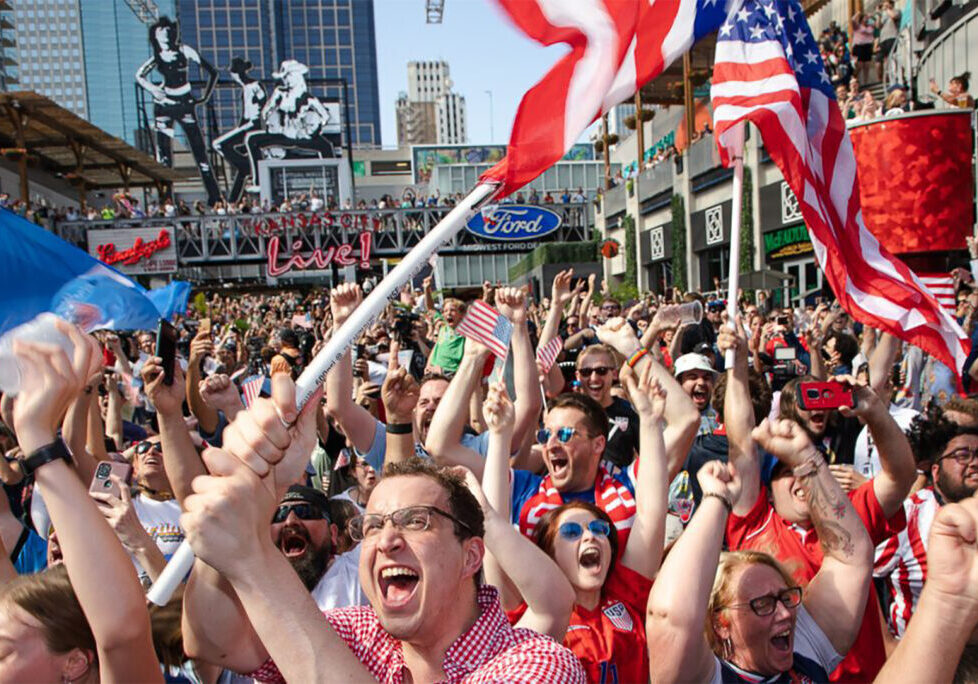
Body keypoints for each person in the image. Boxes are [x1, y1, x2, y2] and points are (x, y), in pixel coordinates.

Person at [179, 374, 586, 682]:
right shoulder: (358, 634)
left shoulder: (540, 664)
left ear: (471, 555)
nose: (387, 541)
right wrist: (253, 489)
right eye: (371, 526)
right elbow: (215, 641)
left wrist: (251, 556)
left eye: (415, 522)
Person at [646, 418, 875, 683]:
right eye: (763, 604)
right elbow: (670, 616)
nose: (786, 613)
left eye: (786, 598)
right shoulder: (707, 677)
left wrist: (805, 460)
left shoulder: (805, 651)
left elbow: (852, 559)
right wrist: (716, 499)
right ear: (721, 624)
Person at [1, 320, 161, 682]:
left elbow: (122, 632)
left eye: (2, 651)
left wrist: (39, 435)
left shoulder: (119, 485)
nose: (152, 454)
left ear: (74, 662)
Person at [874, 403, 978, 637]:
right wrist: (887, 646)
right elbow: (861, 577)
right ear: (936, 470)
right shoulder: (908, 516)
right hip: (924, 662)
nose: (974, 463)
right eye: (962, 455)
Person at [135, 16, 221, 205]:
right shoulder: (156, 58)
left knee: (200, 153)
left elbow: (212, 72)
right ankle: (166, 201)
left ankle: (215, 197)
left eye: (167, 31)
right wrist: (153, 89)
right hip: (165, 105)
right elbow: (139, 75)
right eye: (160, 32)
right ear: (155, 37)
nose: (164, 35)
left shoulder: (185, 51)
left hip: (185, 104)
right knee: (164, 157)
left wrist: (204, 97)